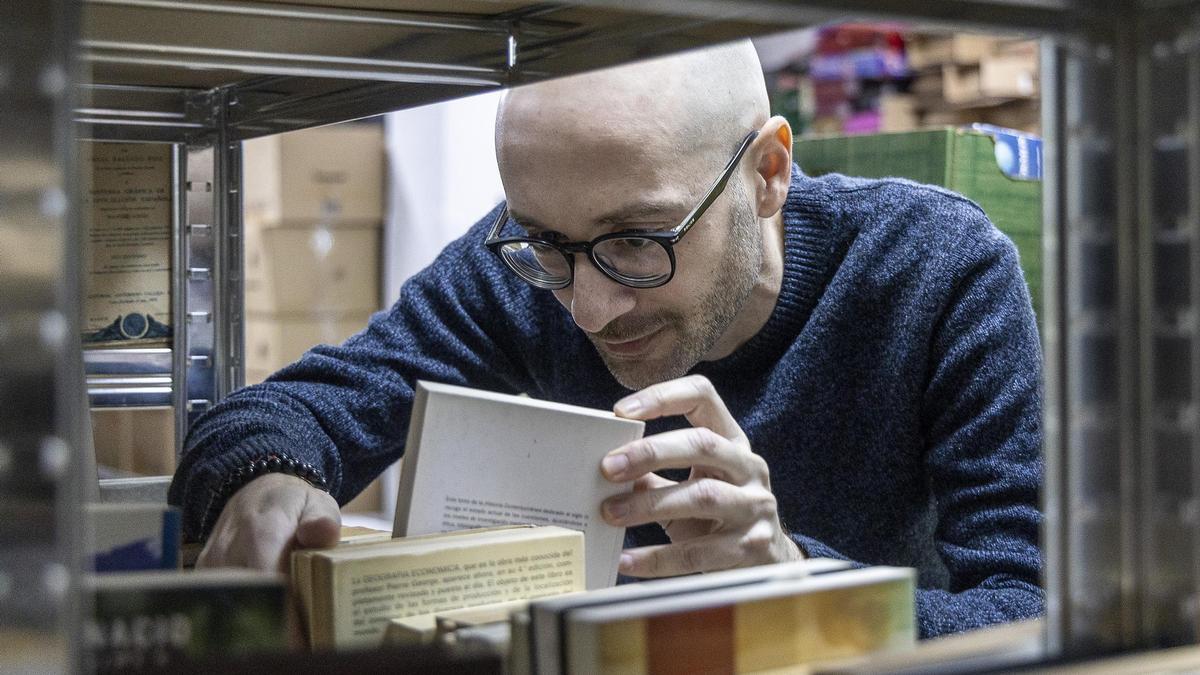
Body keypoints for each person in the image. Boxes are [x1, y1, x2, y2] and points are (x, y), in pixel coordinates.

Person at [168, 40, 1043, 639]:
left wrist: (793, 582)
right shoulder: (526, 266)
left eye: (639, 241)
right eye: (548, 241)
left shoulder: (938, 269)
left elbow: (1029, 610)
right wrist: (266, 473)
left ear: (768, 174)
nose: (587, 306)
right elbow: (283, 412)